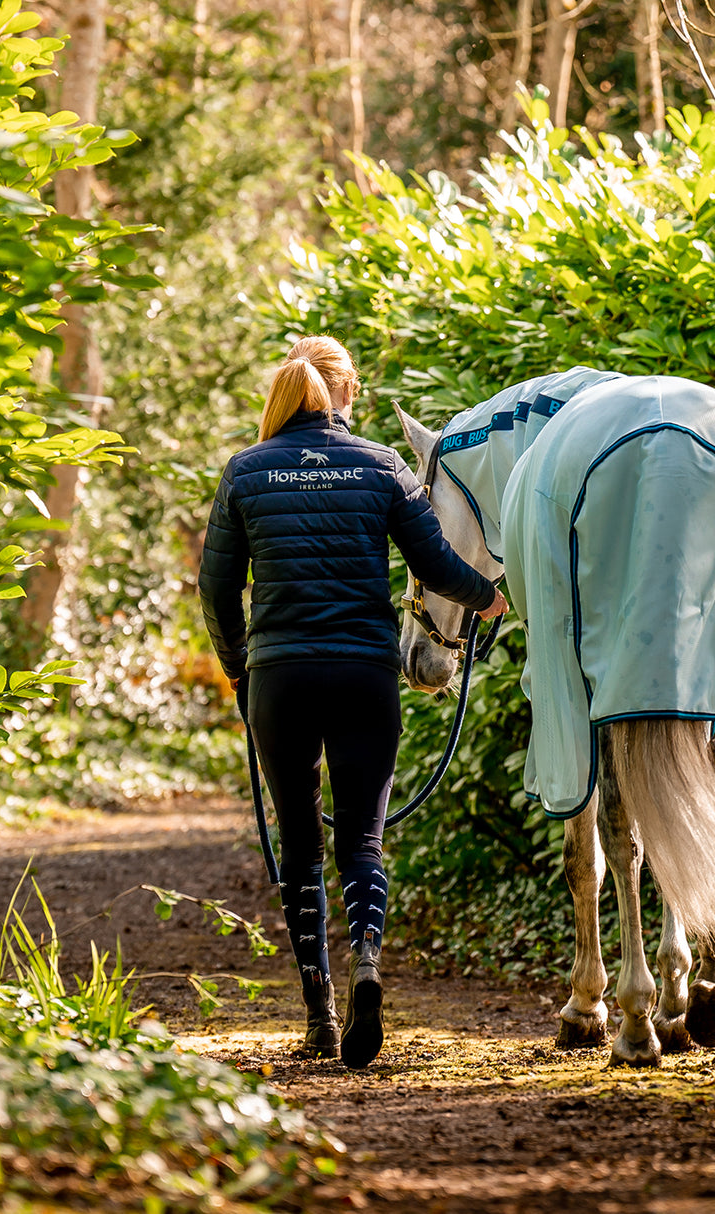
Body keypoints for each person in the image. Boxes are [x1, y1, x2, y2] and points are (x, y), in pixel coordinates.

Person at [198, 335, 507, 1068]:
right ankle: (369, 963)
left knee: (301, 848)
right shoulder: (383, 466)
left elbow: (215, 589)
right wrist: (487, 599)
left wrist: (241, 670)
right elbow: (436, 564)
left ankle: (321, 1020)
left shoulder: (245, 473)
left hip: (281, 680)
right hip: (366, 674)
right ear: (345, 395)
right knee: (361, 842)